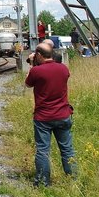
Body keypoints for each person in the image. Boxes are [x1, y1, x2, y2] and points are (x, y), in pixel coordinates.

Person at [25, 42, 77, 186]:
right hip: (63, 115)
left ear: (39, 55)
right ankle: (73, 181)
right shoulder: (63, 69)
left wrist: (31, 64)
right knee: (67, 150)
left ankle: (42, 182)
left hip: (43, 117)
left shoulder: (36, 71)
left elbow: (28, 83)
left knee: (42, 150)